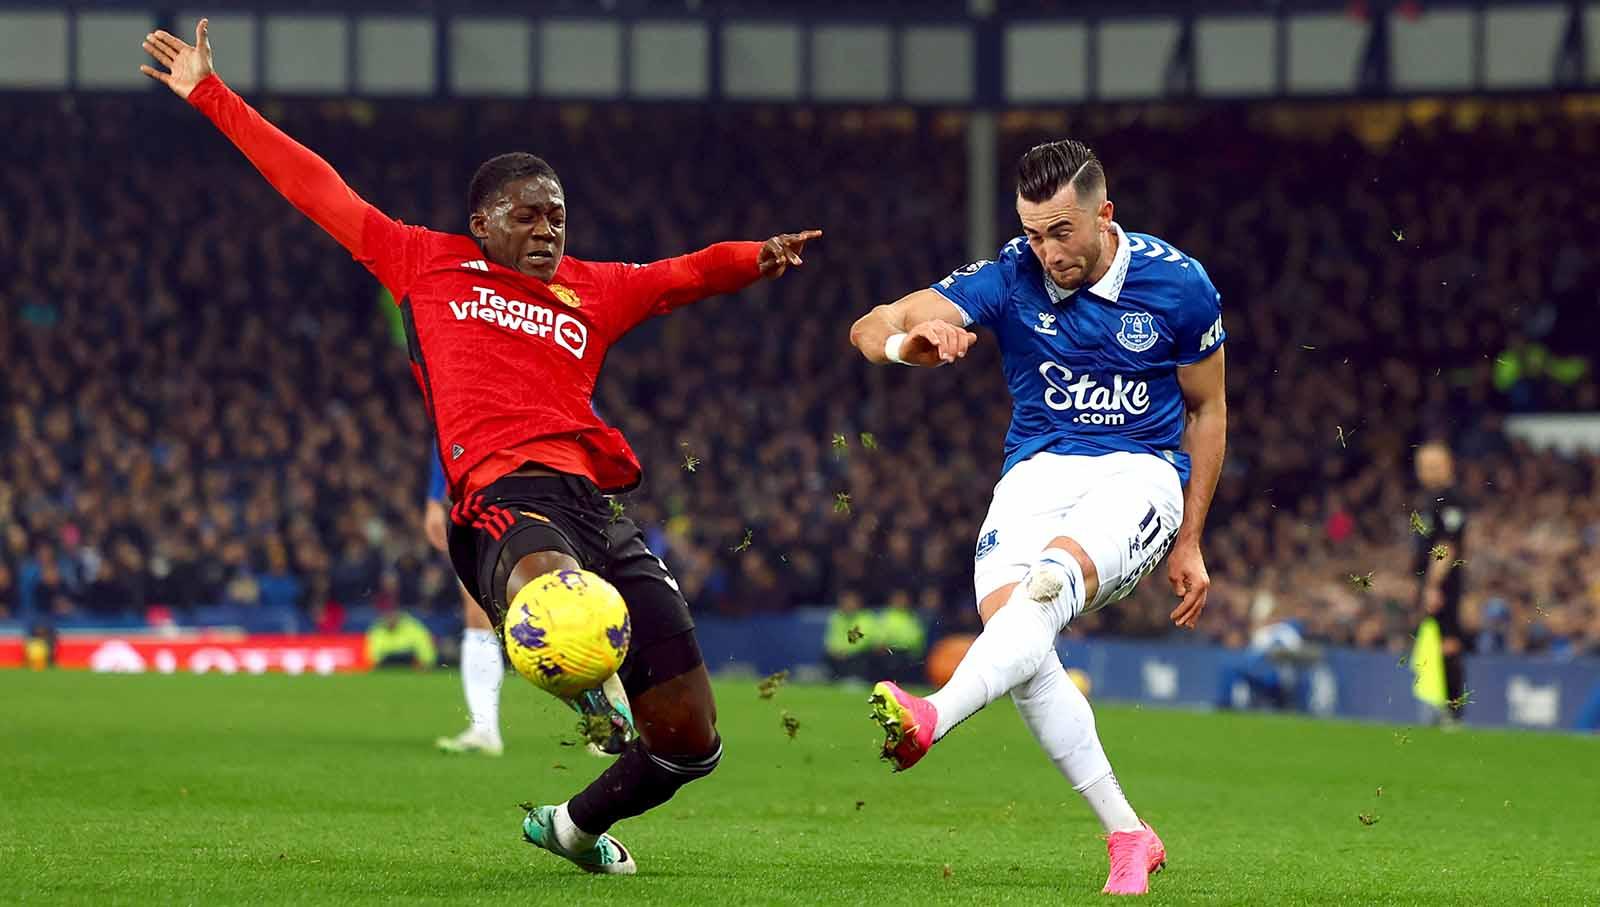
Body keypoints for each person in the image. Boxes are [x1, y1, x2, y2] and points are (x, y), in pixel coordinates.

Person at [142, 21, 819, 876]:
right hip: (500, 501)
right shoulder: (425, 262)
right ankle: (588, 682)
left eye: (557, 216)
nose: (547, 230)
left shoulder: (592, 289)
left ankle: (572, 825)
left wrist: (756, 256)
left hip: (594, 506)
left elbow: (680, 274)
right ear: (480, 222)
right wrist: (210, 93)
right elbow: (314, 186)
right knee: (556, 596)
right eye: (526, 215)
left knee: (691, 740)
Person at [848, 139, 1226, 896]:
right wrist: (906, 344)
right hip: (1035, 475)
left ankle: (934, 716)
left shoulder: (1179, 285)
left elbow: (1208, 408)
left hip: (1140, 473)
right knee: (1017, 642)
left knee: (1048, 585)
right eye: (1032, 233)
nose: (1047, 252)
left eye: (1061, 231)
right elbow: (870, 324)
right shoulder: (1009, 274)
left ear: (1103, 214)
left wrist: (1190, 538)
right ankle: (1128, 834)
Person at [425, 450, 635, 759]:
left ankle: (601, 698)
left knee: (563, 596)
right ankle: (485, 727)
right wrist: (434, 497)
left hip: (543, 484)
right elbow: (445, 436)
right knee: (484, 611)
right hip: (484, 486)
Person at [1412, 440, 1470, 723]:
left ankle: (1453, 710)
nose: (1427, 471)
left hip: (1445, 582)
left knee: (1448, 641)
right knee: (1435, 641)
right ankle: (1440, 705)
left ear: (1448, 466)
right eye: (1424, 466)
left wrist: (1433, 585)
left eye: (1433, 466)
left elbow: (1447, 546)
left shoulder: (1451, 499)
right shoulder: (1429, 499)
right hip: (1430, 582)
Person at [365, 606, 438, 670]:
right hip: (386, 666)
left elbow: (424, 647)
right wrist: (375, 663)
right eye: (387, 615)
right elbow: (373, 655)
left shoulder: (413, 627)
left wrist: (426, 662)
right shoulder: (377, 630)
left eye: (392, 614)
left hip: (412, 666)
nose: (390, 618)